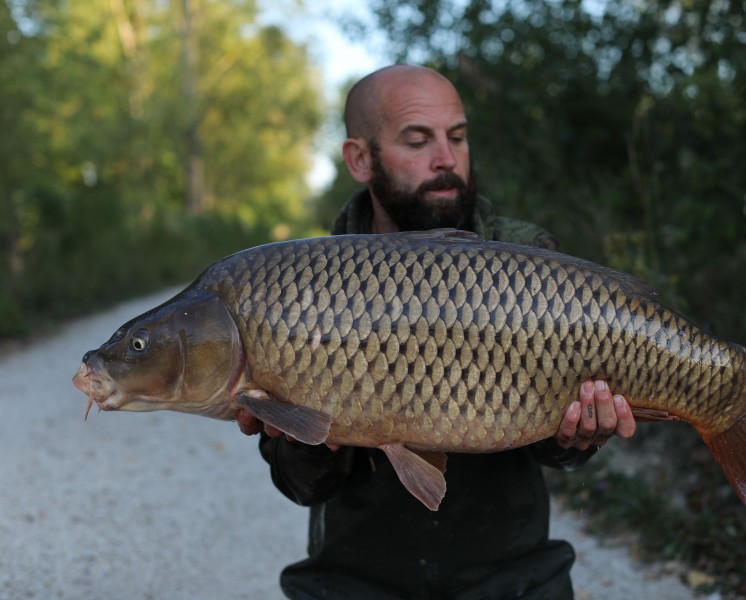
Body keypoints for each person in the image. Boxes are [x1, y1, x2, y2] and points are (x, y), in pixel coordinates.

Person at [236, 65, 636, 600]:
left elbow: (556, 450)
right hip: (354, 580)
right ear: (359, 158)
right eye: (418, 140)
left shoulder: (527, 256)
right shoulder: (304, 285)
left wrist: (578, 437)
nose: (447, 159)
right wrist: (309, 442)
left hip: (510, 578)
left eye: (459, 137)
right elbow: (302, 487)